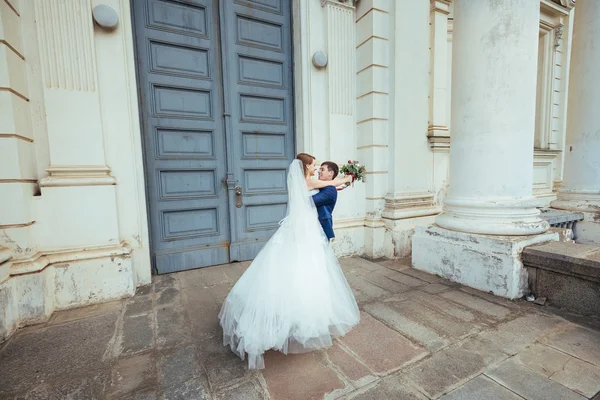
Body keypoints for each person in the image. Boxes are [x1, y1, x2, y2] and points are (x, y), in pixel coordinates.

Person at [218, 153, 360, 369]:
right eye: (314, 165)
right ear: (305, 167)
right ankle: (294, 316)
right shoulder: (310, 182)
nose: (316, 168)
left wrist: (345, 179)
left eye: (320, 167)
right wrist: (347, 179)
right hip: (303, 233)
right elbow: (324, 187)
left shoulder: (310, 183)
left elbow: (328, 186)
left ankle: (291, 314)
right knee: (302, 270)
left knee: (294, 269)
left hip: (304, 231)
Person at [311, 161, 340, 241]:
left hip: (321, 229)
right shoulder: (319, 186)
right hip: (311, 226)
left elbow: (311, 201)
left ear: (330, 173)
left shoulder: (330, 190)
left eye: (322, 169)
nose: (318, 171)